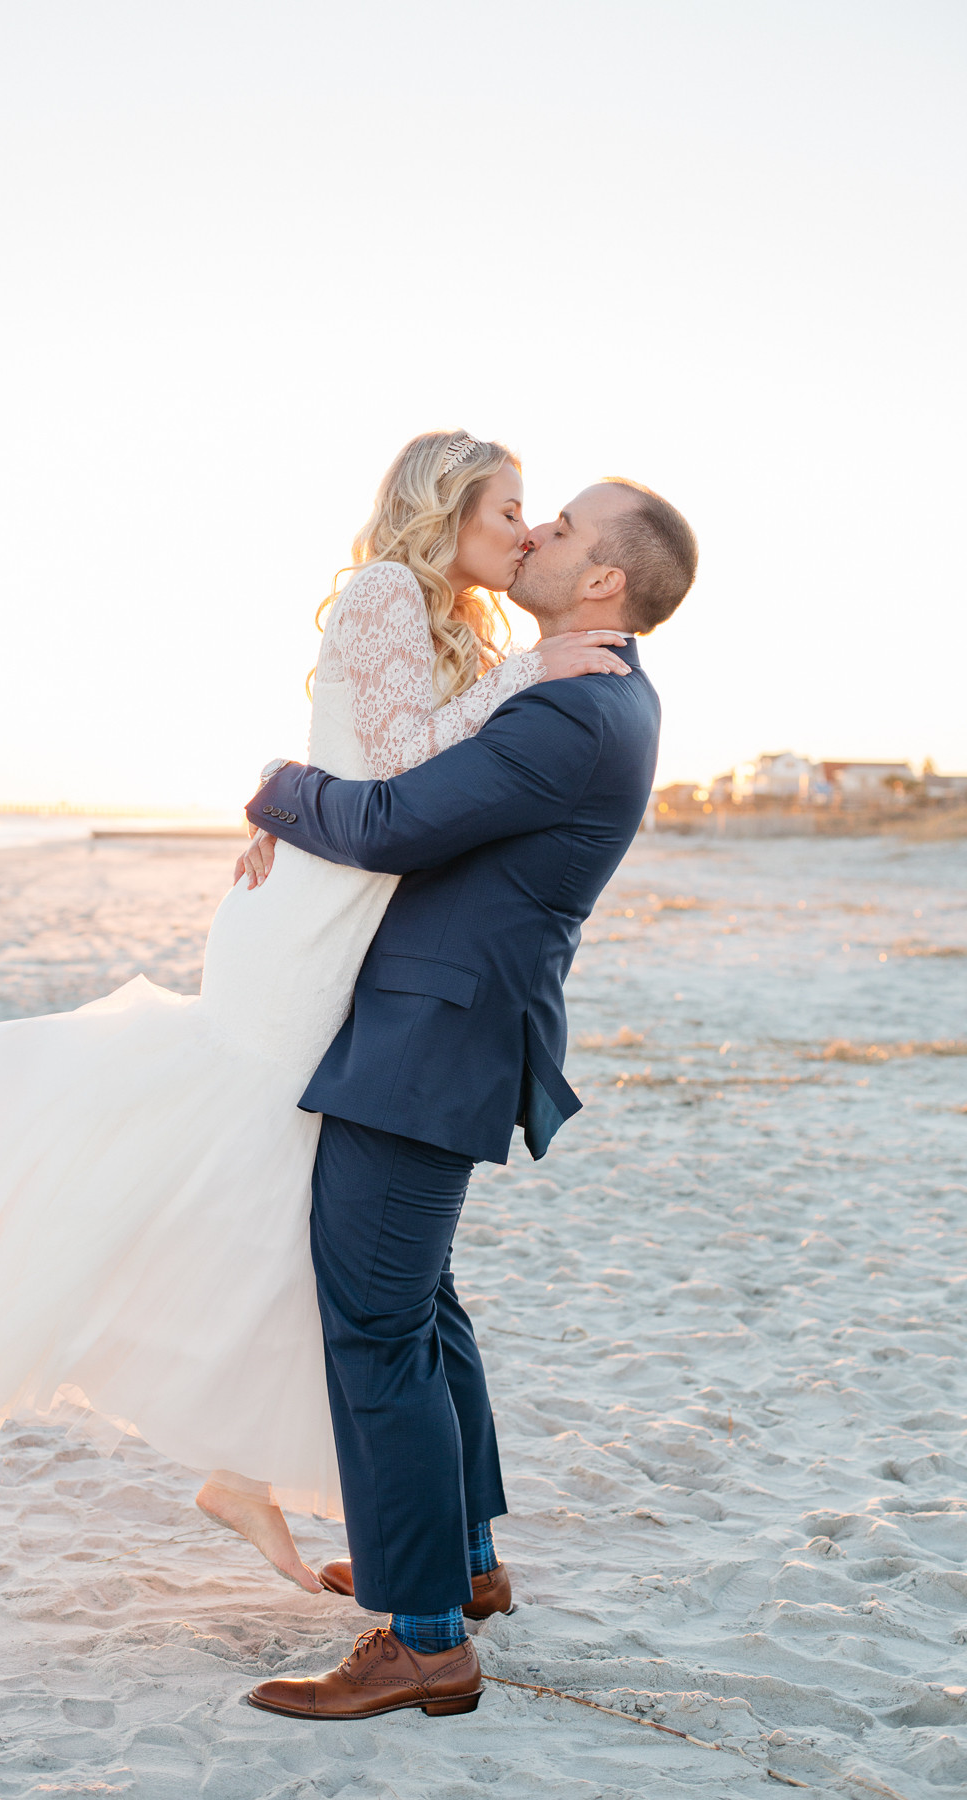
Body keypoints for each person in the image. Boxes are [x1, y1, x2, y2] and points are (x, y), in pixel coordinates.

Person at [0, 431, 629, 1595]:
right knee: (259, 1162)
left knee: (286, 1187)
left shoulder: (452, 617)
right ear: (447, 510)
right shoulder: (382, 592)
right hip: (308, 917)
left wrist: (480, 691)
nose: (527, 529)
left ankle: (251, 1478)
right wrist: (525, 676)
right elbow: (402, 765)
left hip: (348, 906)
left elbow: (391, 776)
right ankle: (246, 1475)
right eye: (512, 508)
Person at [243, 475, 697, 1721]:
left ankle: (426, 1635)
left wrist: (277, 787)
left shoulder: (573, 715)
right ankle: (468, 1566)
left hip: (430, 1043)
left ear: (602, 579)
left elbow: (388, 823)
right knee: (421, 1308)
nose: (538, 529)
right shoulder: (588, 694)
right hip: (450, 1029)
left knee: (377, 1330)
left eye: (562, 528)